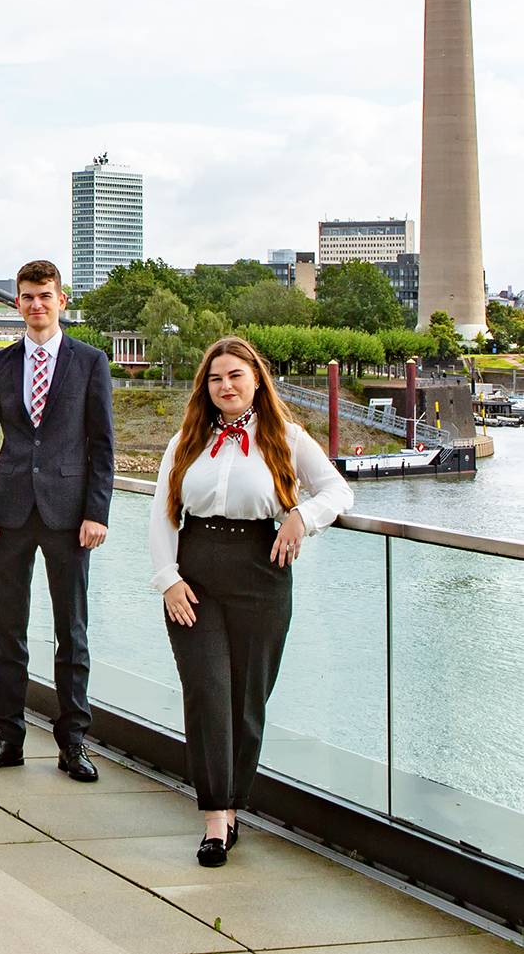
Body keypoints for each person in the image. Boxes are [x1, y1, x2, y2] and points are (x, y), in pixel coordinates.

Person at [149, 336, 351, 867]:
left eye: (236, 375)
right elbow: (162, 515)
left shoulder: (285, 436)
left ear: (256, 379)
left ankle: (235, 805)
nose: (226, 386)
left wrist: (300, 516)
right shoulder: (186, 439)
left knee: (247, 698)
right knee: (208, 691)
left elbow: (338, 492)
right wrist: (167, 578)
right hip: (195, 576)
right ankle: (216, 819)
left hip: (263, 573)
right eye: (216, 379)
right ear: (206, 387)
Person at [0, 259, 113, 782]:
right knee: (8, 628)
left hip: (70, 517)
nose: (36, 305)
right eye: (27, 296)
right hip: (7, 514)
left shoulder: (90, 362)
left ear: (61, 300)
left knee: (72, 631)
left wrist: (98, 512)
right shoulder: (1, 364)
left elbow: (103, 447)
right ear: (17, 303)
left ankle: (73, 742)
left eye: (45, 295)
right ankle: (7, 736)